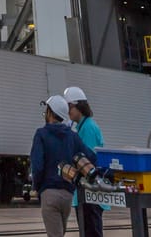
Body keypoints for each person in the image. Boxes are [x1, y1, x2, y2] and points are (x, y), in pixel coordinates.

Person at [34, 95, 99, 237]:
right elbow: (91, 156)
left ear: (51, 113)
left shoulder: (41, 135)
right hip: (68, 194)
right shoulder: (72, 136)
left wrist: (38, 188)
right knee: (59, 233)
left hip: (49, 192)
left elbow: (37, 166)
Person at [65, 88, 105, 237]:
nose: (68, 111)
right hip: (87, 192)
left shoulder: (87, 128)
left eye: (69, 107)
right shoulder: (82, 127)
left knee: (91, 231)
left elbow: (87, 162)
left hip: (90, 192)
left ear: (78, 106)